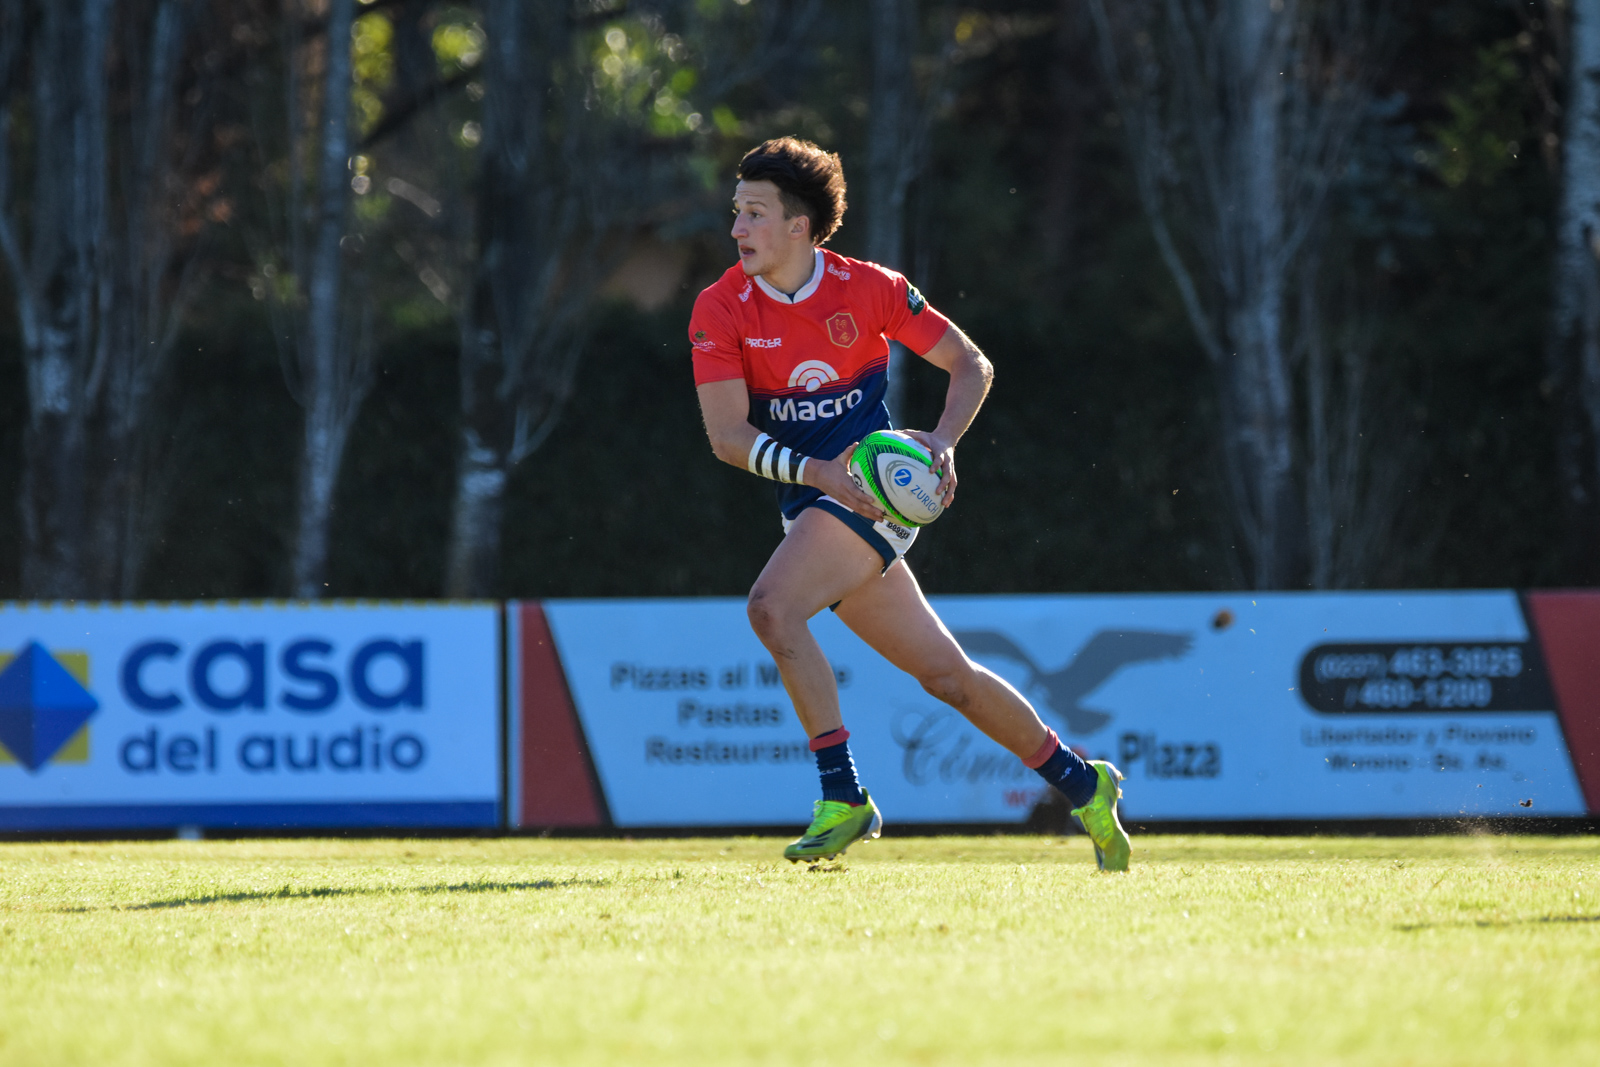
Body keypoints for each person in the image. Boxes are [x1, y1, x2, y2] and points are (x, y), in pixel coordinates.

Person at [688, 137, 1130, 870]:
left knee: (772, 607)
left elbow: (970, 363)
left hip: (877, 494)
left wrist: (946, 442)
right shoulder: (720, 306)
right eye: (736, 212)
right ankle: (1085, 783)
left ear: (799, 226)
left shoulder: (871, 288)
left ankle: (843, 794)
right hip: (818, 499)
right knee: (948, 676)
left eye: (754, 214)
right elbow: (727, 437)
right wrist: (817, 474)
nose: (736, 229)